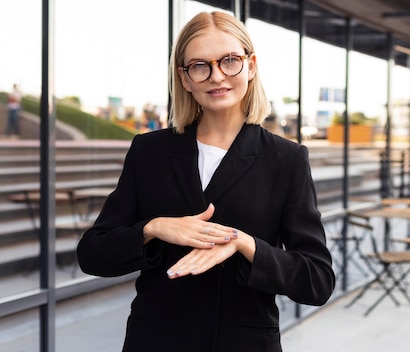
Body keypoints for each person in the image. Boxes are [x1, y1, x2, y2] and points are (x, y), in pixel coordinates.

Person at [77, 11, 335, 352]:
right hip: (155, 342)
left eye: (229, 61)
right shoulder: (150, 151)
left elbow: (317, 280)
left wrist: (245, 244)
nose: (216, 76)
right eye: (200, 66)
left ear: (251, 66)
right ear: (184, 78)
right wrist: (153, 228)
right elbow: (92, 254)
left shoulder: (286, 159)